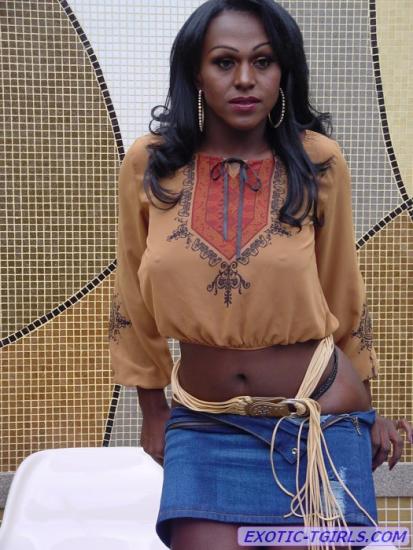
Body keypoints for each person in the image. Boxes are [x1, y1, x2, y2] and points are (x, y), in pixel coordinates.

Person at [108, 1, 413, 549]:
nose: (245, 79)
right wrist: (152, 411)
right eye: (225, 62)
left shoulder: (318, 162)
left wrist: (370, 413)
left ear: (283, 71)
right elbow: (131, 296)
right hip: (204, 426)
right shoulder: (150, 165)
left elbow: (344, 291)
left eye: (264, 61)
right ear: (195, 73)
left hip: (319, 422)